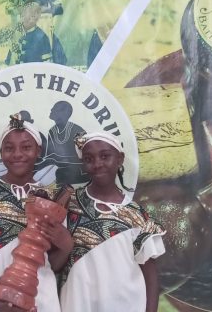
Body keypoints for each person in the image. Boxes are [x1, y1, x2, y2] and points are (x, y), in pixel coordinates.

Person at [0, 113, 72, 312]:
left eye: (26, 147)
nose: (17, 154)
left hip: (41, 300)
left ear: (38, 151)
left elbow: (52, 264)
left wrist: (66, 246)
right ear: (1, 152)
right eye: (9, 148)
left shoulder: (52, 198)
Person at [59, 132, 166, 312]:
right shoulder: (69, 205)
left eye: (105, 156)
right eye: (89, 159)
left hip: (127, 305)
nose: (97, 164)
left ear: (120, 159)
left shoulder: (137, 215)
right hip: (78, 303)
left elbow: (150, 273)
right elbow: (55, 258)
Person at [0, 0, 51, 73]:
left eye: (37, 12)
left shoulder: (42, 37)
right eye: (31, 10)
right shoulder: (12, 29)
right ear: (23, 12)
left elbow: (47, 64)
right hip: (11, 74)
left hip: (32, 76)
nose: (34, 14)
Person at [45, 101, 86, 185]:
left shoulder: (78, 131)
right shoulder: (52, 131)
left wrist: (58, 159)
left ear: (65, 113)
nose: (51, 110)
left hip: (77, 170)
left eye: (55, 108)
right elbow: (50, 156)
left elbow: (85, 157)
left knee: (60, 174)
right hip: (59, 168)